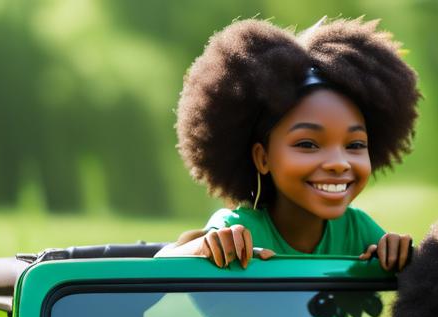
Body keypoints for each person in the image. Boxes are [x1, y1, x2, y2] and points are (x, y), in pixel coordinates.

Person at [160, 18, 419, 274]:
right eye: (307, 144)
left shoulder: (356, 228)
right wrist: (202, 248)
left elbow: (425, 279)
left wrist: (400, 253)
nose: (339, 163)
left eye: (355, 144)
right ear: (263, 158)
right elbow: (161, 263)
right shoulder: (237, 229)